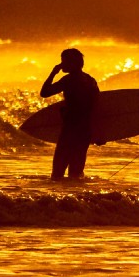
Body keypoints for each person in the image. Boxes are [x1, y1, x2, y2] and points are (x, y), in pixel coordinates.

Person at [40, 48, 99, 180]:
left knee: (57, 174)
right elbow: (96, 108)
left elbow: (44, 93)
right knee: (76, 173)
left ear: (72, 63)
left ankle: (61, 194)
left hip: (70, 130)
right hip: (85, 131)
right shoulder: (90, 80)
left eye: (64, 61)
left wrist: (53, 73)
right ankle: (74, 193)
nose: (61, 65)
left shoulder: (69, 80)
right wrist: (98, 133)